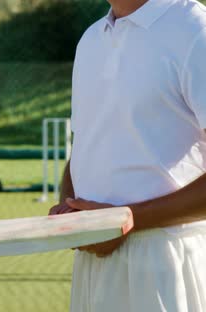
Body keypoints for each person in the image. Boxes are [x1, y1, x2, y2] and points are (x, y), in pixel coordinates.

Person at [48, 0, 206, 311]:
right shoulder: (91, 39)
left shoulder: (195, 30)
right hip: (92, 264)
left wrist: (128, 220)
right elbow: (86, 144)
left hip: (167, 261)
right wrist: (70, 209)